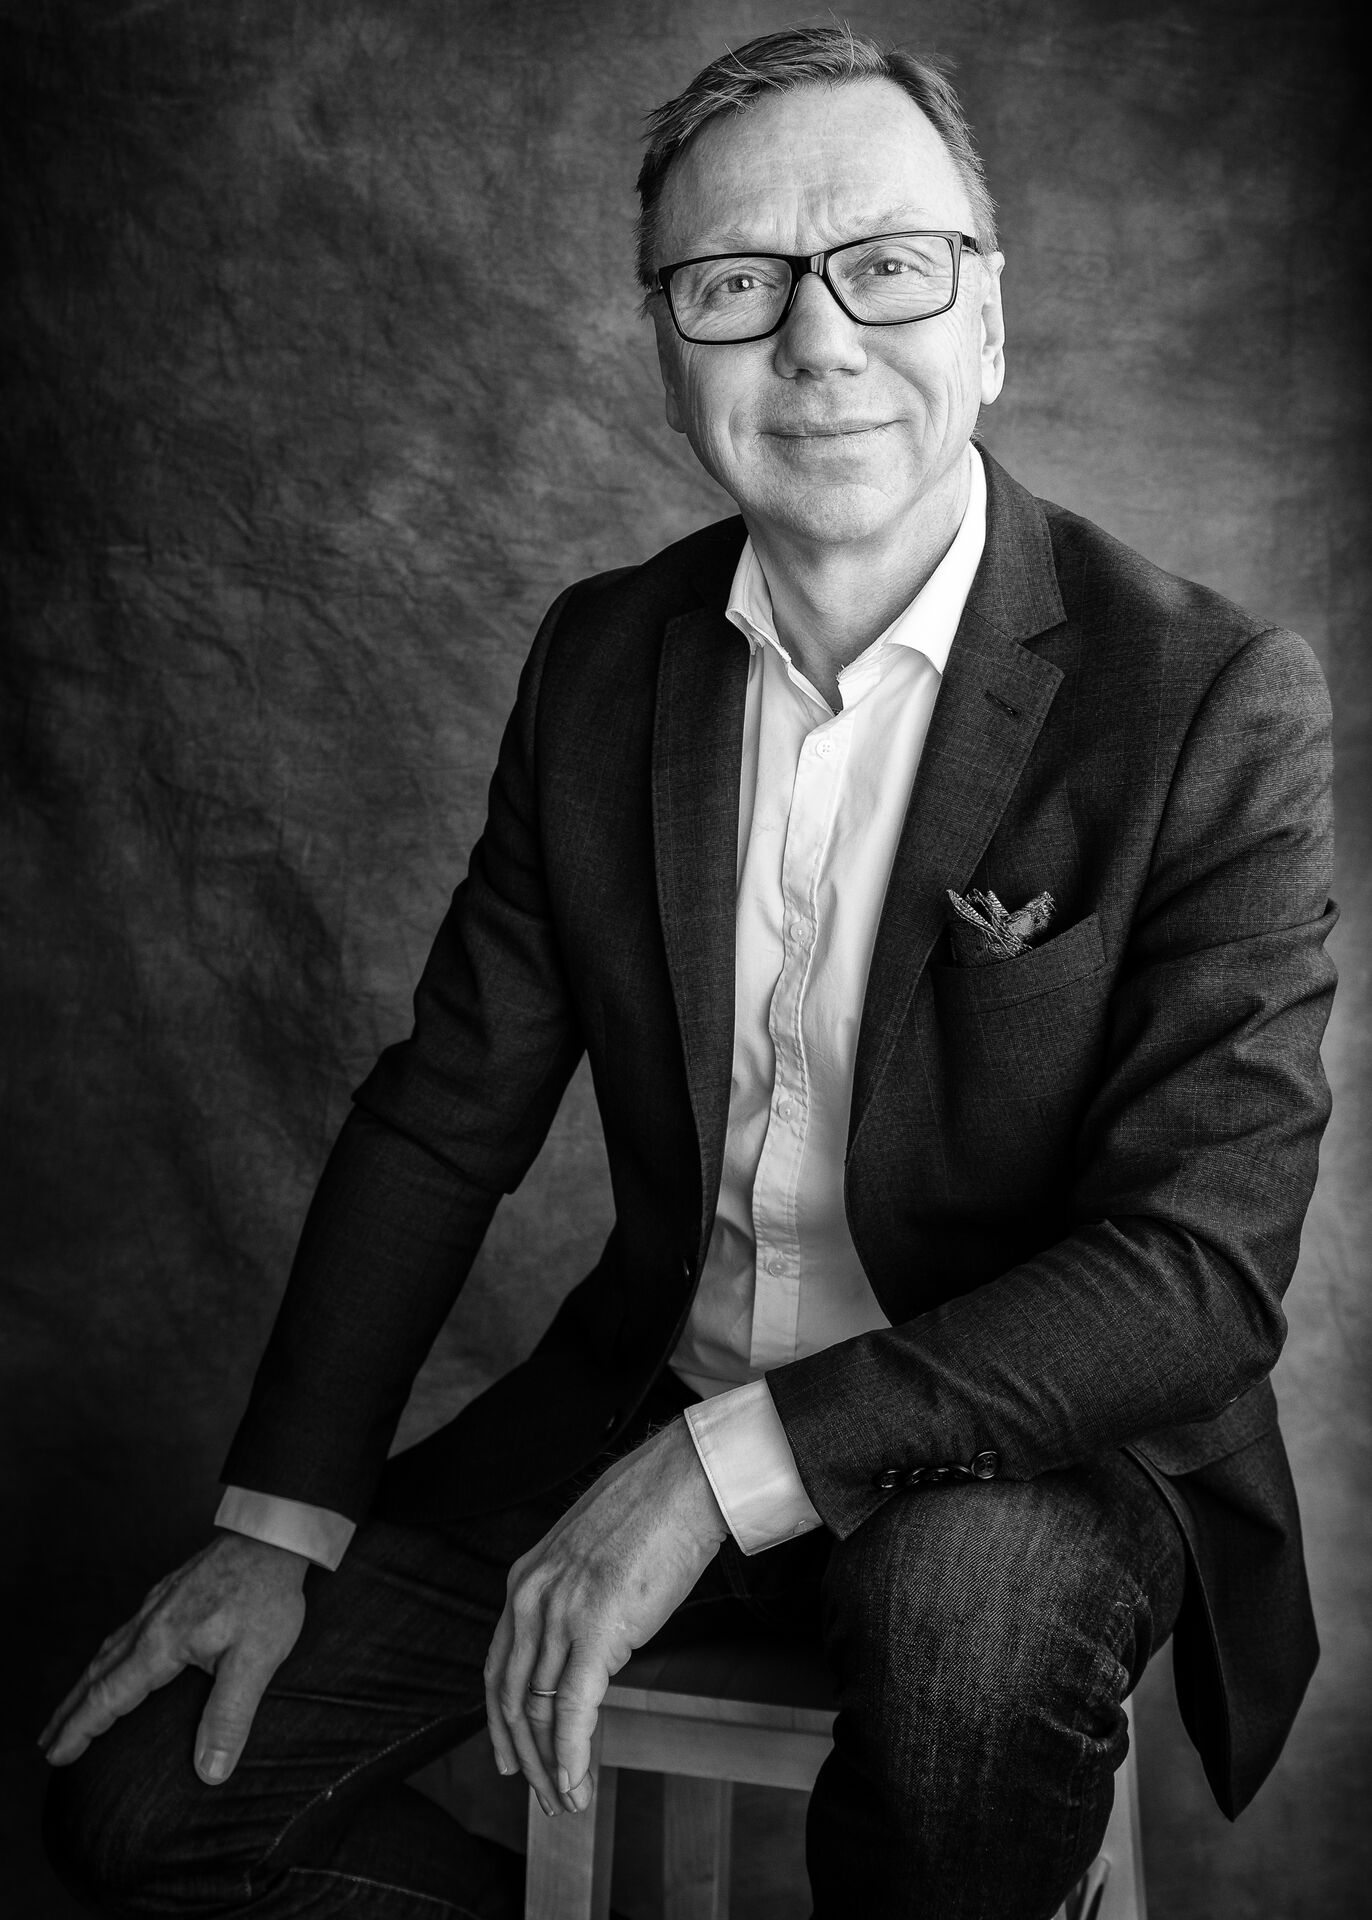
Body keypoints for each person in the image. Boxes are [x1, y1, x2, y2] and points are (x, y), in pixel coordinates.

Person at [41, 24, 1336, 1920]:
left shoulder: (1208, 695)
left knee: (962, 1640)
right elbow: (444, 1115)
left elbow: (1197, 1275)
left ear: (989, 321)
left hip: (1033, 1455)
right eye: (736, 283)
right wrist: (280, 1517)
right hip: (646, 1391)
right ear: (668, 350)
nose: (817, 341)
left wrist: (734, 1469)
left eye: (886, 265)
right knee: (148, 1803)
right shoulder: (601, 660)